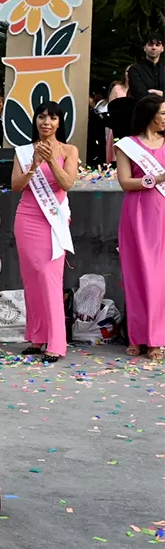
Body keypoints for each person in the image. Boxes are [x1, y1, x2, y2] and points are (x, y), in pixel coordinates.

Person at [11, 102, 78, 363]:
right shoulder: (24, 151)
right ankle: (38, 336)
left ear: (60, 123)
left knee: (50, 276)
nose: (46, 122)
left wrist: (51, 159)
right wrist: (34, 164)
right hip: (27, 217)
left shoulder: (69, 150)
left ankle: (57, 343)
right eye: (41, 117)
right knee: (31, 279)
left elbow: (67, 183)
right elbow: (16, 186)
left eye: (52, 117)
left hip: (54, 219)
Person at [113, 95, 165, 360]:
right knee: (135, 276)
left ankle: (156, 339)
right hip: (137, 213)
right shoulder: (127, 146)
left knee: (158, 278)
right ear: (150, 115)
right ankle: (137, 337)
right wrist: (156, 178)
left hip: (162, 214)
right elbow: (125, 182)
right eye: (163, 113)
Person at [128, 33, 165, 98]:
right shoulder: (135, 69)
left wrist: (162, 94)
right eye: (150, 45)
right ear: (144, 48)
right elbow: (140, 94)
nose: (154, 47)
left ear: (162, 48)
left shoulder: (164, 70)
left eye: (157, 45)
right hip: (143, 107)